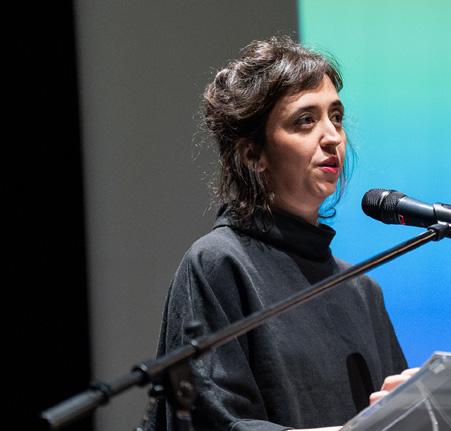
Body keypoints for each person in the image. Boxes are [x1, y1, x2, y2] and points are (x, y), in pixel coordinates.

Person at [146, 36, 412, 431]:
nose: (333, 137)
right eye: (306, 120)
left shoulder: (362, 291)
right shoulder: (219, 264)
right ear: (253, 154)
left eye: (336, 117)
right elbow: (213, 422)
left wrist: (413, 407)